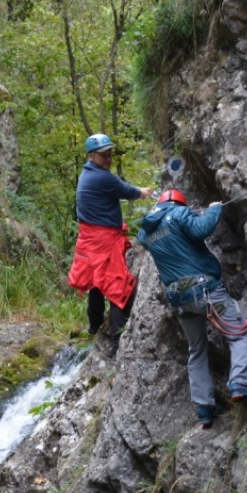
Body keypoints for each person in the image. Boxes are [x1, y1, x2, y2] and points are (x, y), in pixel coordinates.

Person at [137, 190, 247, 428]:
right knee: (238, 332)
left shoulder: (146, 232)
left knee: (196, 349)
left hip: (179, 298)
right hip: (203, 289)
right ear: (177, 202)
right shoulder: (178, 213)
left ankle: (204, 407)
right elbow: (201, 229)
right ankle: (240, 382)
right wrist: (215, 208)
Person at [67, 133, 152, 346]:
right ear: (91, 156)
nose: (108, 159)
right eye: (103, 155)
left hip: (90, 241)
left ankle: (94, 327)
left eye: (110, 154)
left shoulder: (87, 174)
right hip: (103, 242)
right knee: (117, 285)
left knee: (96, 283)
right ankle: (117, 339)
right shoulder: (102, 177)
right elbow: (127, 191)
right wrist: (143, 192)